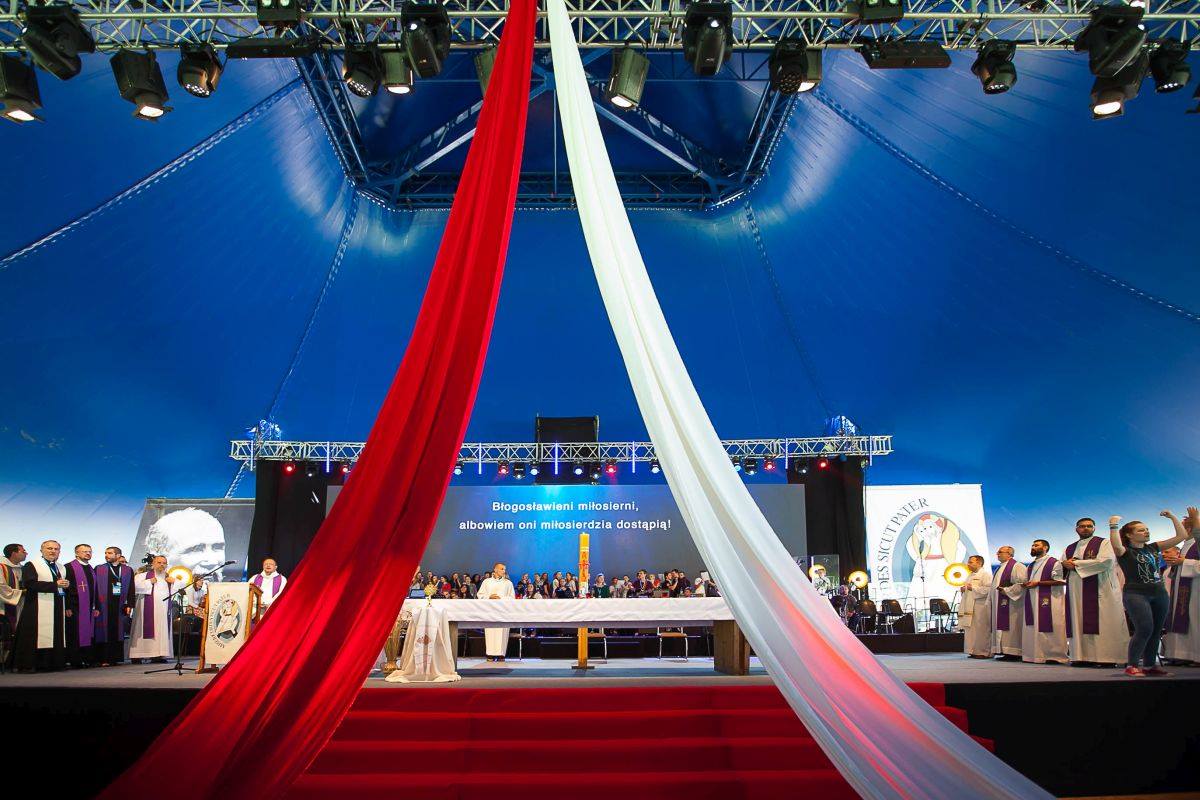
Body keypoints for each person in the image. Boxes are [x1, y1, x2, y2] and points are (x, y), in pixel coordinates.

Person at [1108, 510, 1195, 677]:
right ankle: (1132, 665)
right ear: (1129, 535)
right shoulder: (1125, 552)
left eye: (1147, 529)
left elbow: (1181, 536)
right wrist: (1113, 526)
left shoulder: (1153, 547)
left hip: (1159, 593)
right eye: (1141, 530)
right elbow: (1116, 546)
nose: (1146, 532)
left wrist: (1172, 517)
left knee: (1156, 630)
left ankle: (1149, 666)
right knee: (1144, 628)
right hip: (1136, 594)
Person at [1062, 517, 1128, 666]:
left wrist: (1076, 564)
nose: (1086, 528)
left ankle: (1107, 658)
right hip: (1076, 592)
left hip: (1101, 589)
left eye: (1089, 526)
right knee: (1078, 620)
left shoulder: (1104, 543)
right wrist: (1064, 564)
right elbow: (1061, 568)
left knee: (1104, 622)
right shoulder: (1069, 548)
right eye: (1082, 526)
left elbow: (1106, 561)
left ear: (1094, 528)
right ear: (1076, 529)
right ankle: (1081, 657)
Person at [13, 540, 69, 672]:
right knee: (34, 635)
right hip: (36, 606)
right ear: (41, 550)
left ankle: (52, 663)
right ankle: (31, 664)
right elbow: (29, 584)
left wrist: (65, 585)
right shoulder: (32, 565)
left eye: (56, 549)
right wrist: (55, 585)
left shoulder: (61, 567)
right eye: (49, 548)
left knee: (56, 632)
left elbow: (60, 585)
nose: (53, 551)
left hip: (57, 604)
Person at [1014, 539, 1068, 665]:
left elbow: (1060, 581)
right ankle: (1034, 655)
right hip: (1032, 599)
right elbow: (1028, 581)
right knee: (1033, 626)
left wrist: (1038, 583)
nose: (1033, 547)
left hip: (1050, 600)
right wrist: (1025, 584)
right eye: (1032, 545)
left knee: (1051, 626)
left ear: (1045, 548)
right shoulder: (1030, 565)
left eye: (1036, 545)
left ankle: (1054, 655)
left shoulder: (1054, 562)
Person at [143, 507, 228, 580]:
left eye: (217, 548)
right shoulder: (144, 584)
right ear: (159, 556)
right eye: (196, 550)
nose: (211, 561)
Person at [93, 546, 135, 666]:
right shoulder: (99, 568)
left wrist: (130, 604)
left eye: (110, 553)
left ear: (118, 555)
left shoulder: (127, 570)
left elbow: (131, 588)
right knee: (104, 631)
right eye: (106, 553)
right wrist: (95, 605)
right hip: (103, 605)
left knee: (117, 631)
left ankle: (115, 658)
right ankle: (104, 658)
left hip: (120, 605)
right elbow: (95, 588)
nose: (106, 555)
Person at [1162, 537, 1200, 665]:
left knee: (1194, 621)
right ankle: (1180, 654)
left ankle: (1195, 655)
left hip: (1195, 590)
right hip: (1179, 591)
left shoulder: (1196, 544)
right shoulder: (1186, 545)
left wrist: (1185, 562)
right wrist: (1178, 563)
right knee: (1180, 618)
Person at [130, 555, 174, 663]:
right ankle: (138, 655)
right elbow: (134, 587)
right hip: (145, 611)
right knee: (141, 630)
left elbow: (181, 587)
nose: (162, 565)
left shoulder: (167, 579)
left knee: (160, 631)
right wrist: (149, 582)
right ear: (153, 564)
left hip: (162, 612)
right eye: (159, 562)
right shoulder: (142, 576)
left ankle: (158, 655)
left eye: (164, 563)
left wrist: (174, 582)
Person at [64, 544, 100, 668]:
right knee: (75, 633)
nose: (88, 553)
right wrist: (67, 606)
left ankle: (87, 658)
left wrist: (96, 607)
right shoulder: (68, 567)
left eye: (89, 551)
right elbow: (66, 589)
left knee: (88, 633)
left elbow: (95, 589)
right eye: (84, 551)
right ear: (76, 553)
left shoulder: (90, 568)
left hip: (89, 606)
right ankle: (75, 660)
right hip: (74, 606)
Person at [990, 546, 1027, 659]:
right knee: (1002, 628)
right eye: (998, 552)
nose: (997, 554)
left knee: (1012, 627)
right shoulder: (1000, 568)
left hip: (1012, 605)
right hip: (999, 603)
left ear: (1009, 554)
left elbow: (1022, 584)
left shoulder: (1017, 566)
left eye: (1000, 552)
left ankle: (1014, 652)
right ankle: (1004, 650)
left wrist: (1006, 590)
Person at [478, 563, 514, 661]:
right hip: (490, 611)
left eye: (504, 569)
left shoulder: (508, 583)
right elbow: (480, 595)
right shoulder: (487, 582)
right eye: (502, 569)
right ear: (495, 570)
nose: (504, 571)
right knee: (490, 632)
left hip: (503, 612)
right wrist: (489, 597)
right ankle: (490, 654)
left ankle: (501, 654)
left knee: (502, 632)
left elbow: (512, 597)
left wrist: (500, 598)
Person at [958, 555, 992, 658]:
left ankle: (983, 652)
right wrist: (964, 589)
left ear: (979, 563)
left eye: (971, 562)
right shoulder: (970, 575)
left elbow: (988, 590)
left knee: (981, 629)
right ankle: (973, 650)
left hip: (980, 606)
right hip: (970, 606)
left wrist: (972, 588)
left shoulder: (985, 575)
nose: (968, 564)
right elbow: (969, 589)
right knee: (971, 629)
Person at [1, 543, 27, 645]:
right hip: (3, 607)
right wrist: (22, 593)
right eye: (23, 551)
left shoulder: (23, 568)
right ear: (13, 553)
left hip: (20, 605)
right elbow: (1, 587)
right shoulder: (1, 567)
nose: (26, 553)